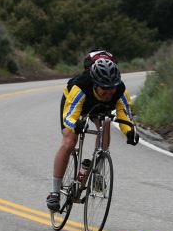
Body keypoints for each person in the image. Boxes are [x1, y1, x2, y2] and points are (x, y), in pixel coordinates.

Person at [47, 57, 139, 211]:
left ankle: (97, 170)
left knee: (105, 126)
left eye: (112, 88)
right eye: (105, 88)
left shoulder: (120, 90)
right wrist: (76, 124)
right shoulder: (80, 87)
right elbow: (69, 116)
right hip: (76, 105)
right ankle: (54, 192)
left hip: (99, 107)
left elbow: (125, 115)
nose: (109, 92)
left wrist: (129, 132)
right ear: (95, 85)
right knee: (70, 140)